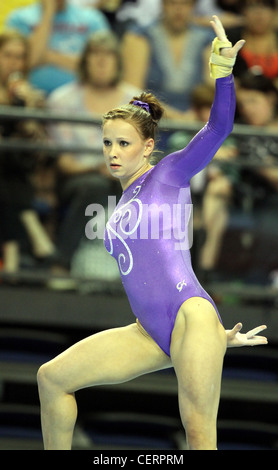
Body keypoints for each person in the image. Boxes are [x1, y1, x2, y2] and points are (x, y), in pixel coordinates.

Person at [37, 17, 268, 451]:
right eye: (107, 143)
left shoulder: (168, 174)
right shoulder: (122, 201)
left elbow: (217, 129)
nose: (113, 153)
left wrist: (223, 77)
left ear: (146, 147)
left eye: (123, 144)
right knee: (51, 379)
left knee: (199, 435)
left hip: (189, 316)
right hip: (148, 331)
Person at [46, 31, 141, 281]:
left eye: (108, 55)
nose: (102, 61)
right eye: (95, 55)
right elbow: (64, 163)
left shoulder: (135, 102)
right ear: (84, 61)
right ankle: (62, 265)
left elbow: (144, 152)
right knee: (93, 187)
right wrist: (97, 167)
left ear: (118, 62)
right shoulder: (62, 100)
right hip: (79, 177)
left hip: (126, 177)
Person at [0, 30, 55, 273]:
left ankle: (11, 253)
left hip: (16, 171)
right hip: (12, 172)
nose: (14, 63)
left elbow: (33, 155)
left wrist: (28, 116)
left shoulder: (26, 94)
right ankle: (31, 226)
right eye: (8, 55)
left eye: (20, 57)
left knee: (8, 164)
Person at [121, 0, 214, 111]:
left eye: (185, 4)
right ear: (163, 5)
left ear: (193, 6)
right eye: (172, 3)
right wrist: (173, 116)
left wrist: (196, 115)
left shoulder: (207, 40)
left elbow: (212, 90)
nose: (178, 10)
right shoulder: (139, 36)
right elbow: (132, 91)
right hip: (150, 116)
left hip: (196, 117)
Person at [5, 0, 110, 94]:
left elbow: (98, 65)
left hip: (80, 99)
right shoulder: (19, 18)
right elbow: (28, 61)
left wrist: (48, 56)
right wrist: (48, 13)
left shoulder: (92, 19)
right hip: (29, 97)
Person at [226, 0, 278, 86]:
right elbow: (214, 72)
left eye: (265, 7)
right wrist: (239, 93)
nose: (259, 14)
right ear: (243, 12)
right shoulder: (231, 38)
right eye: (252, 7)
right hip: (238, 92)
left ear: (273, 12)